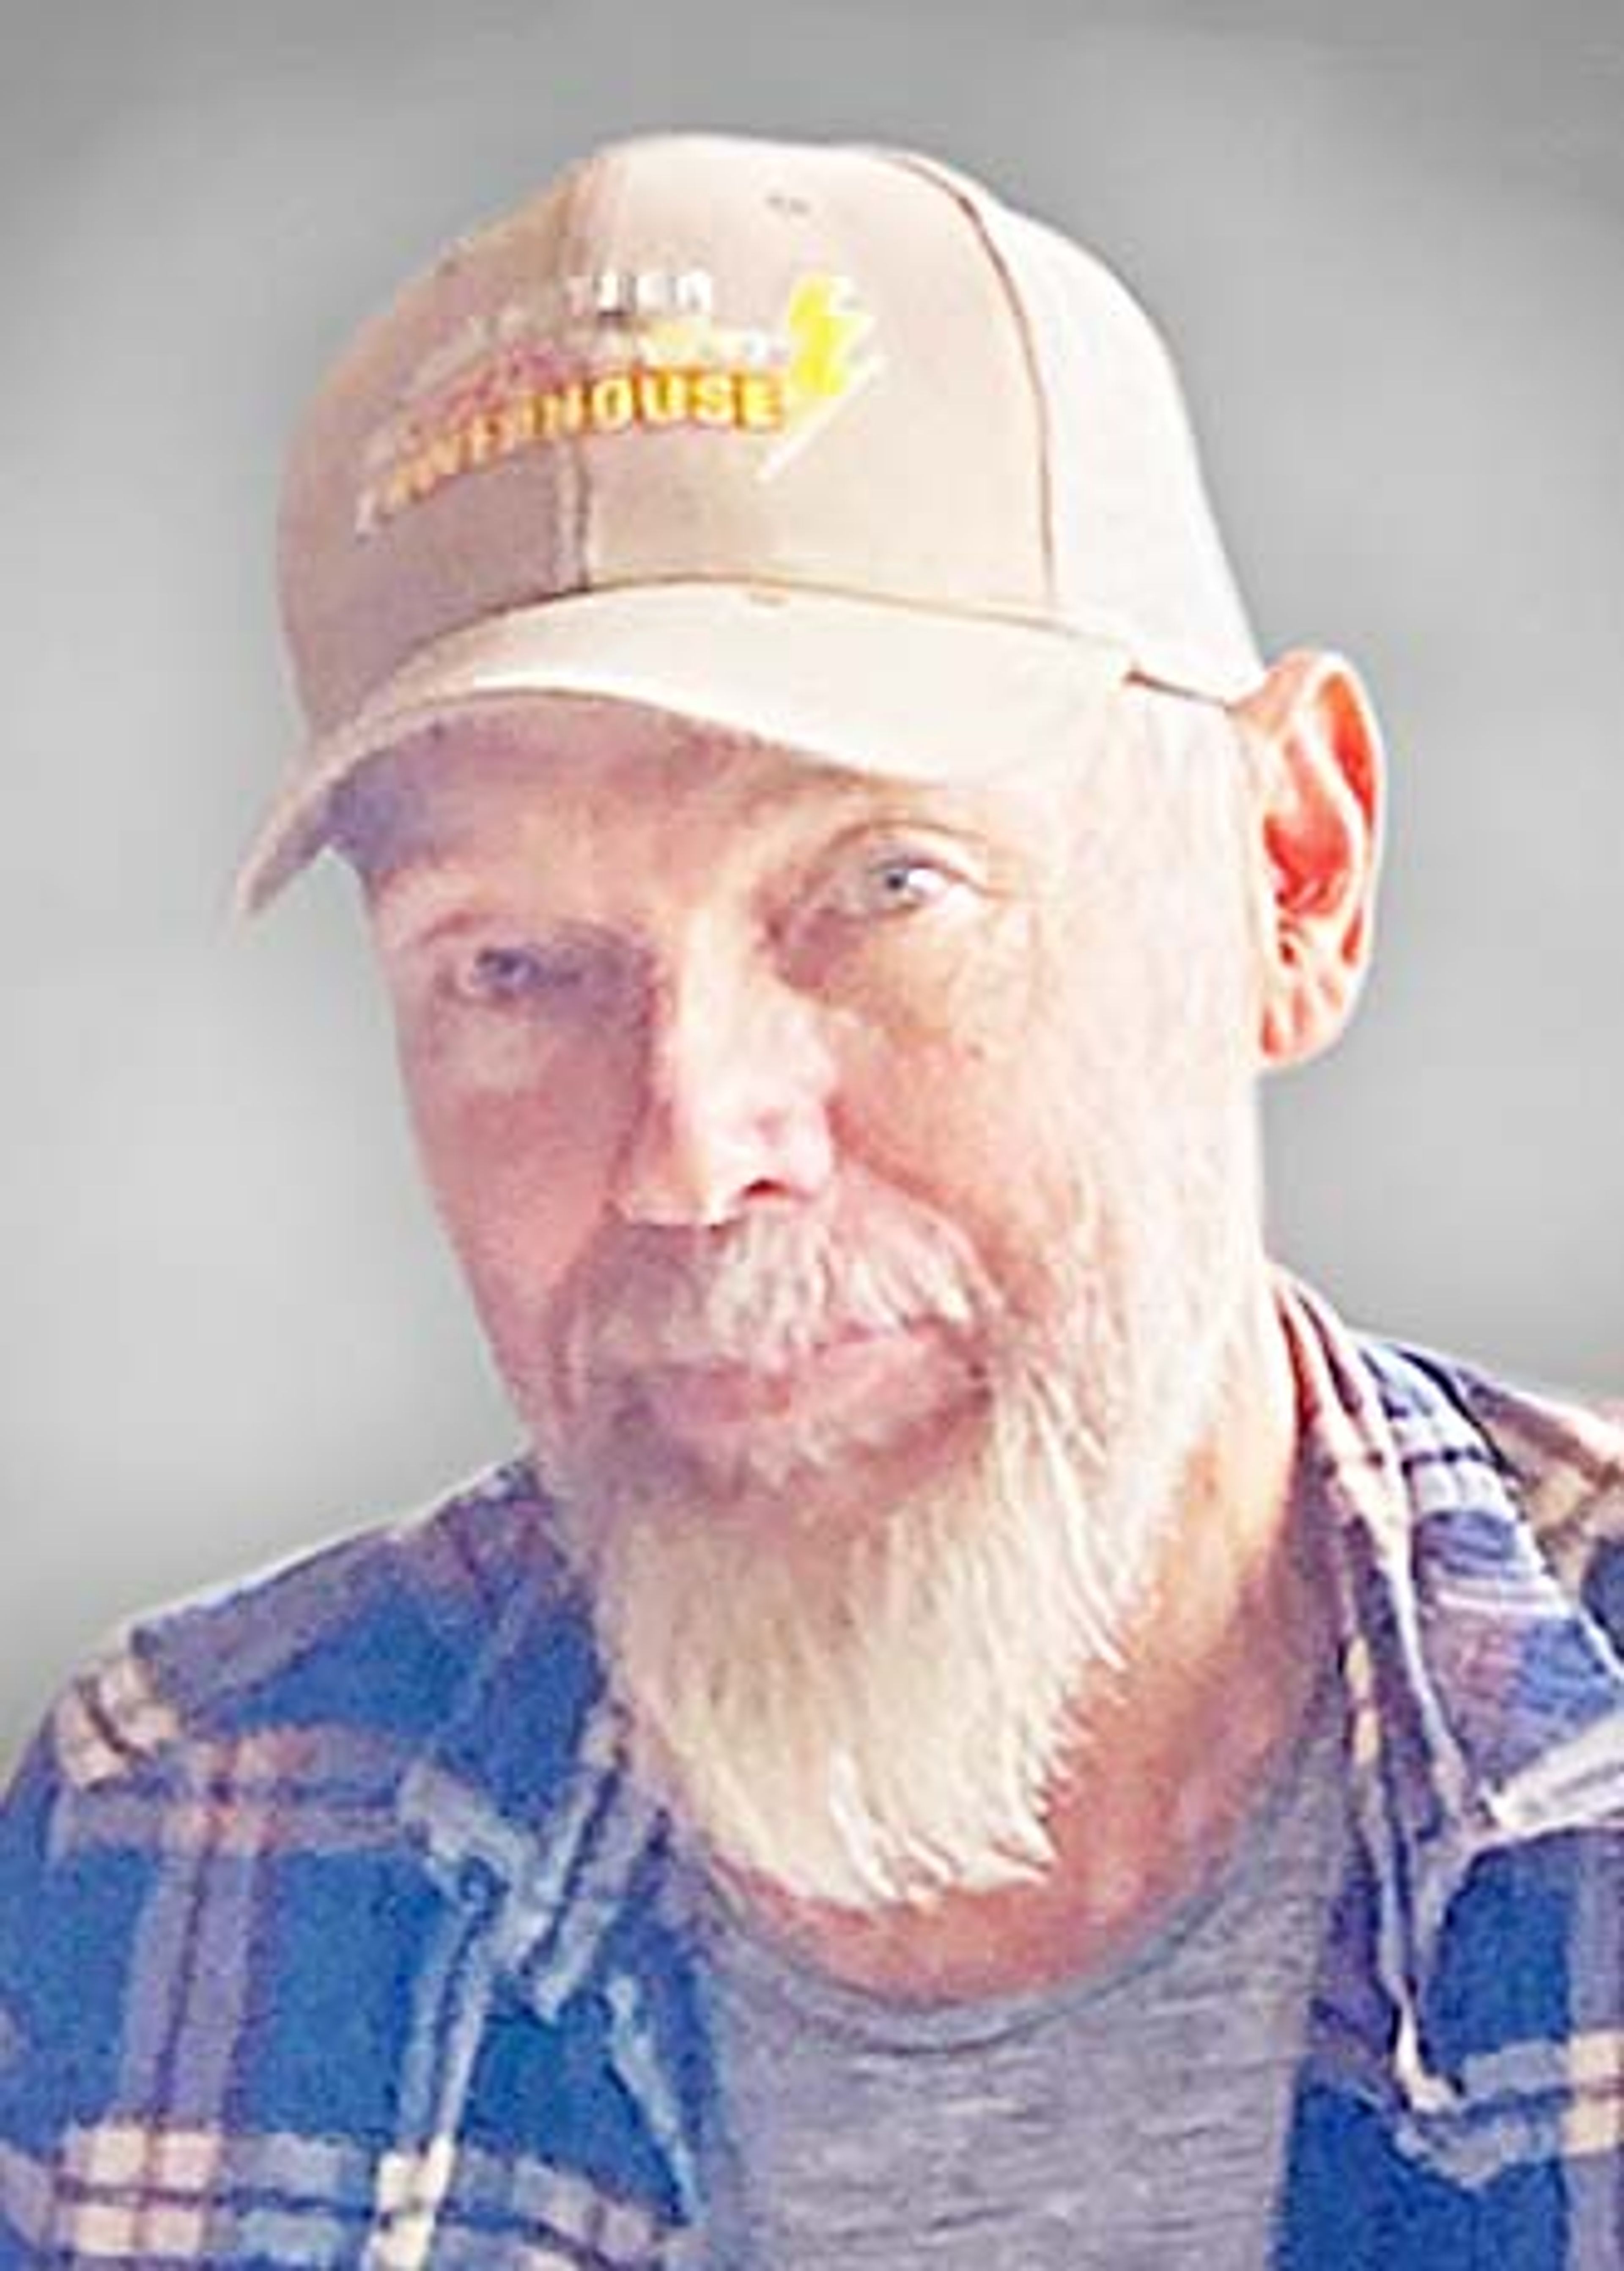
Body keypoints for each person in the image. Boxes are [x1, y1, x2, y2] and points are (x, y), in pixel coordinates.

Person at [1, 131, 1620, 2271]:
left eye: (886, 883)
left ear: (1288, 874)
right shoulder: (165, 1862)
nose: (691, 1146)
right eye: (513, 966)